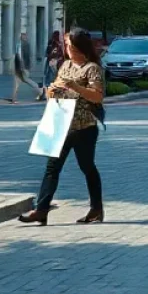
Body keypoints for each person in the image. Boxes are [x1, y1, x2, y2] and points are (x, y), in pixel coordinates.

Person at [19, 27, 105, 226]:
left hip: (84, 127)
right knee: (52, 168)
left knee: (87, 167)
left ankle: (96, 208)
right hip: (61, 124)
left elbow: (97, 96)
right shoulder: (65, 65)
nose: (65, 48)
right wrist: (51, 91)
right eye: (66, 44)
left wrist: (75, 87)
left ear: (78, 46)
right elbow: (54, 89)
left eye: (68, 44)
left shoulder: (92, 68)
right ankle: (41, 210)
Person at [11, 32, 40, 104]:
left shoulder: (26, 45)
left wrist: (25, 66)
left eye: (23, 35)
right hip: (18, 66)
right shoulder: (18, 45)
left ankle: (40, 91)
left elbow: (26, 56)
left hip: (23, 66)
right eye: (21, 35)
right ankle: (14, 98)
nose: (22, 36)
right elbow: (17, 56)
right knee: (17, 82)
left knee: (26, 80)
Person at [41, 30, 65, 101]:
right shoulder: (58, 44)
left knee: (49, 78)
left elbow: (47, 53)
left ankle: (48, 94)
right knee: (54, 78)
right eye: (60, 35)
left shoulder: (51, 43)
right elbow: (59, 54)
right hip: (55, 63)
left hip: (51, 62)